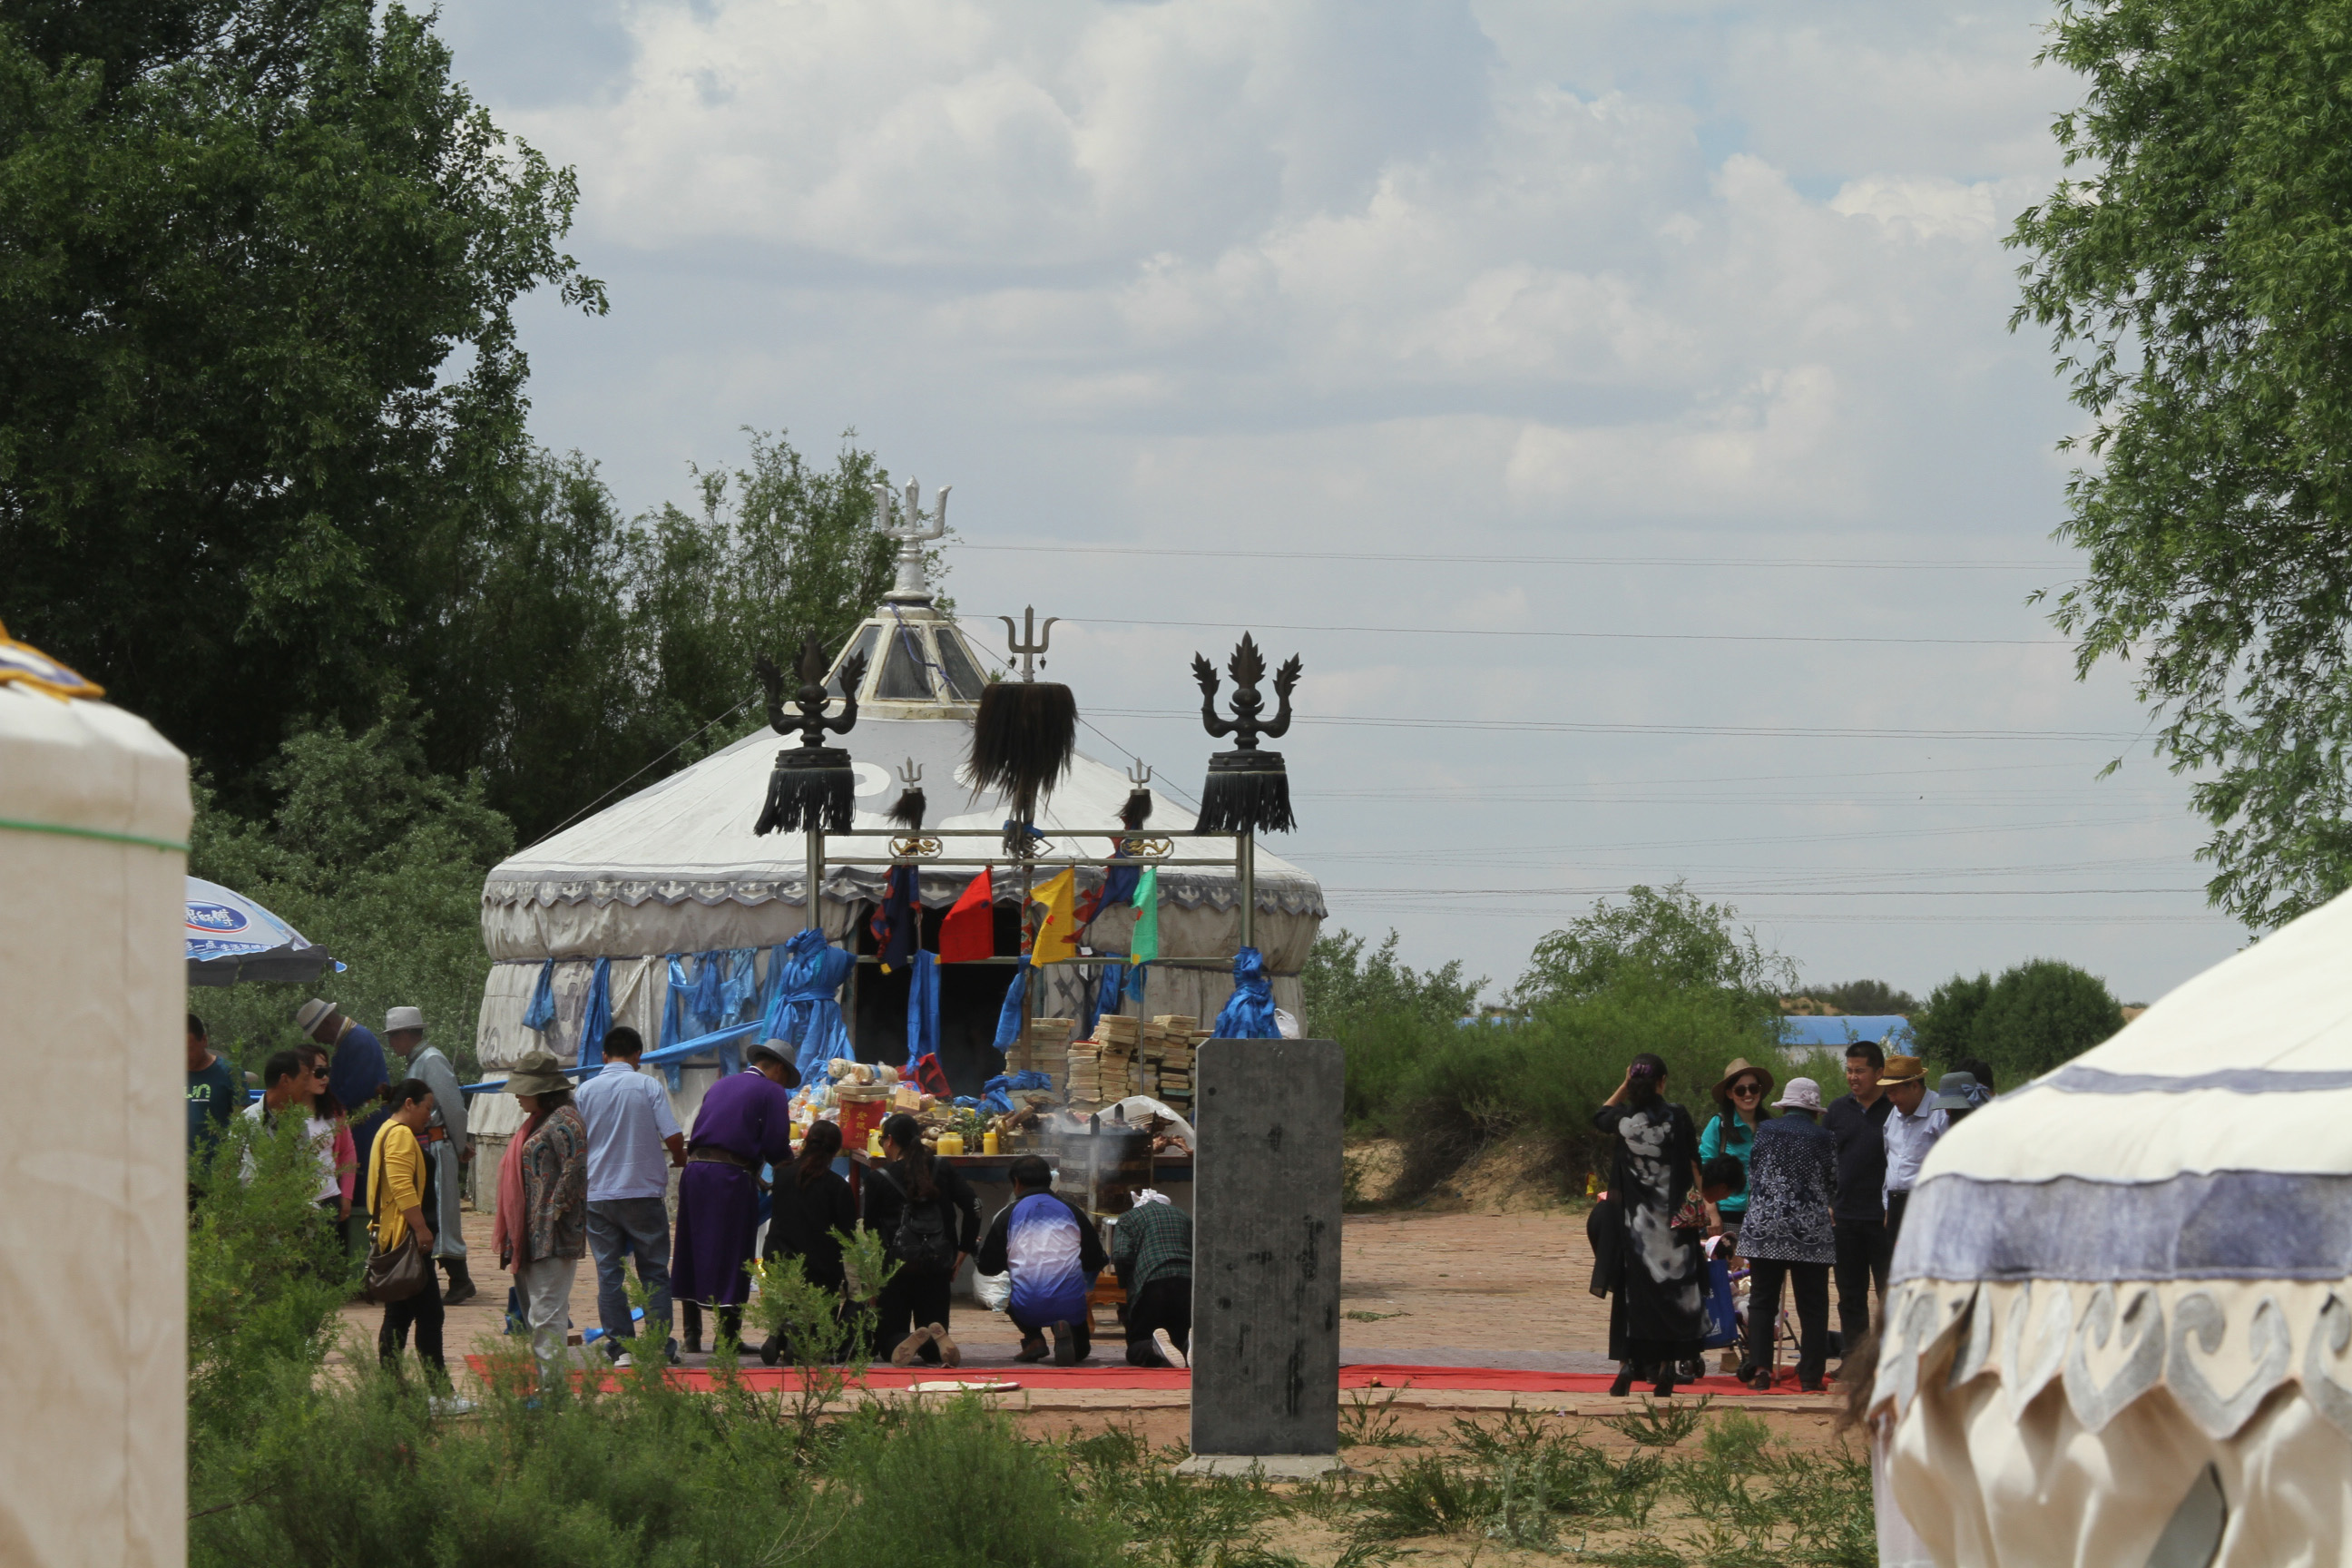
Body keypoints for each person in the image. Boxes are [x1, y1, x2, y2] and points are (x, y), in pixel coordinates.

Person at [671, 1039, 799, 1352]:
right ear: (779, 1069)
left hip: (696, 1172)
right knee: (734, 1251)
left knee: (692, 1246)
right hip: (728, 1179)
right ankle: (727, 1339)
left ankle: (692, 1335)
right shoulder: (772, 1091)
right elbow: (775, 1143)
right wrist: (791, 1167)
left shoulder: (722, 1084)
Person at [1593, 1053, 1706, 1397]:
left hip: (1635, 1229)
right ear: (1663, 1082)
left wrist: (1624, 1087)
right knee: (1674, 1294)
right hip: (1674, 1225)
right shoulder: (1678, 1115)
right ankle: (1667, 1368)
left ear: (1632, 1081)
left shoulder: (1624, 1119)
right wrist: (1707, 1210)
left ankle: (1628, 1365)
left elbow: (1598, 1115)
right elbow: (1692, 1161)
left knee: (1636, 1297)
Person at [575, 1025, 684, 1366]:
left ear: (604, 1056)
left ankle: (621, 1349)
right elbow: (673, 1134)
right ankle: (657, 1349)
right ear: (638, 1056)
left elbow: (576, 1143)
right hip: (642, 1191)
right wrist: (681, 1160)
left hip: (598, 1194)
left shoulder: (585, 1091)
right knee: (653, 1271)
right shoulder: (648, 1085)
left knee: (609, 1272)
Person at [491, 1051, 589, 1387]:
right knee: (538, 1313)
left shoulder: (565, 1120)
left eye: (523, 1088)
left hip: (553, 1235)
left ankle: (554, 1391)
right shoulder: (538, 1121)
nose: (517, 1095)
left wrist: (553, 1211)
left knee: (547, 1313)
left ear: (543, 1089)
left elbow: (575, 1167)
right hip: (531, 1234)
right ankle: (549, 1386)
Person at [1737, 1078, 1838, 1391]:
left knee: (1762, 1300)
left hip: (1765, 1226)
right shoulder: (1824, 1137)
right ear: (1814, 1111)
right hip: (1810, 1232)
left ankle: (1761, 1369)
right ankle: (1810, 1375)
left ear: (1787, 1106)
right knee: (1813, 1304)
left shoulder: (1765, 1130)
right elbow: (1833, 1181)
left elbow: (1753, 1173)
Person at [865, 1111, 981, 1367]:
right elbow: (974, 1207)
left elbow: (870, 1231)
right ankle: (934, 1341)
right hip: (938, 1265)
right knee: (932, 1349)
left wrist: (872, 1278)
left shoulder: (878, 1178)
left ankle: (906, 1338)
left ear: (890, 1140)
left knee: (887, 1344)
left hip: (895, 1269)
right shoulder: (943, 1168)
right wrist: (963, 1251)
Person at [384, 1006, 477, 1305]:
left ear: (408, 1034)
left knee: (442, 1213)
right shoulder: (417, 1062)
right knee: (430, 1211)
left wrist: (459, 1143)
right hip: (424, 1147)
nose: (391, 1043)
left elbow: (453, 1108)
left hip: (436, 1147)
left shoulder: (431, 1060)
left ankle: (460, 1279)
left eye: (394, 1036)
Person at [975, 1153, 1105, 1366]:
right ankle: (1062, 1327)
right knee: (1081, 1352)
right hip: (1071, 1305)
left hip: (1028, 1305)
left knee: (1014, 1298)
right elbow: (1094, 1260)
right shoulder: (1072, 1211)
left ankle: (1034, 1338)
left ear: (1016, 1182)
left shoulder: (1008, 1215)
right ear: (1049, 1179)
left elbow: (988, 1268)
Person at [757, 1119, 858, 1367]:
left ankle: (780, 1333)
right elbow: (848, 1236)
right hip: (818, 1271)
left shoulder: (782, 1174)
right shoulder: (837, 1187)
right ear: (835, 1151)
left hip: (777, 1262)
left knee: (787, 1294)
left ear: (805, 1142)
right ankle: (800, 1336)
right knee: (819, 1340)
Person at [371, 1078, 447, 1383]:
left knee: (399, 1315)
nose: (429, 1115)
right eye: (427, 1108)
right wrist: (421, 1229)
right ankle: (439, 1390)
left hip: (395, 1236)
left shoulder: (386, 1131)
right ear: (409, 1104)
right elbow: (402, 1186)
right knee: (430, 1315)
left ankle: (391, 1387)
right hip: (407, 1238)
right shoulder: (400, 1134)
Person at [1823, 1041, 1896, 1357]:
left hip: (1884, 1219)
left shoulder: (1895, 1109)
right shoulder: (1837, 1110)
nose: (1853, 1077)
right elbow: (1824, 1160)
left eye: (1860, 1071)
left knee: (1889, 1294)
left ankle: (1891, 1362)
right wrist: (1827, 1200)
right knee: (1849, 1296)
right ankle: (1855, 1363)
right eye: (1849, 1070)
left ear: (1879, 1072)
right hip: (1845, 1218)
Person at [241, 1050, 342, 1254]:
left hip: (296, 1232)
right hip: (259, 1235)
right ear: (285, 1080)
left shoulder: (298, 1123)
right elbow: (246, 1181)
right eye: (304, 1079)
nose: (307, 1086)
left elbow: (305, 1176)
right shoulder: (248, 1122)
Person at [296, 998, 390, 1193]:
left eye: (316, 1034)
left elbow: (352, 1093)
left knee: (363, 1187)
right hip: (360, 1126)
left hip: (365, 1130)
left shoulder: (358, 1041)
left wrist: (321, 1106)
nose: (318, 1041)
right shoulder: (353, 1040)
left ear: (326, 1024)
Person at [1698, 1057, 1775, 1257]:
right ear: (1730, 1094)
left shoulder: (1772, 1128)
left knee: (1755, 1278)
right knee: (1727, 1277)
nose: (1748, 1094)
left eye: (1753, 1088)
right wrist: (1712, 1213)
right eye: (1741, 1090)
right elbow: (1702, 1169)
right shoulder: (1719, 1125)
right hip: (1726, 1214)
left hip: (1763, 1215)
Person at [1111, 1187, 1191, 1368]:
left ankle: (1152, 1347)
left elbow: (1122, 1255)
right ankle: (1188, 1344)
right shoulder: (1184, 1216)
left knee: (1138, 1342)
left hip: (1151, 1283)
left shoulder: (1128, 1218)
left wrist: (1126, 1287)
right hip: (1188, 1281)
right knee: (1180, 1332)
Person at [1878, 1054, 1949, 1248]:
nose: (1891, 1099)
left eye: (1894, 1092)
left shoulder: (1940, 1113)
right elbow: (1891, 1162)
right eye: (1888, 1093)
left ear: (1915, 1087)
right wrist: (1888, 1208)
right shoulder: (1895, 1113)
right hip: (1896, 1207)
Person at [185, 1014, 237, 1164]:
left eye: (189, 1049)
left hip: (217, 1172)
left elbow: (243, 1124)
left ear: (204, 1040)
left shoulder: (230, 1073)